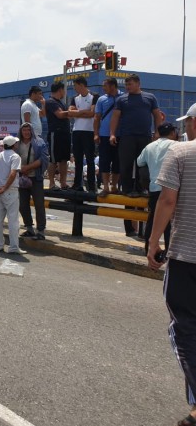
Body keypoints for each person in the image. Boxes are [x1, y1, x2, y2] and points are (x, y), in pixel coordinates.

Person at [147, 103, 196, 426]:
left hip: (187, 256)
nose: (185, 128)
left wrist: (153, 243)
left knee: (185, 329)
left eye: (187, 122)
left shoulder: (181, 153)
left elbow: (167, 200)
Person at [110, 73, 163, 197]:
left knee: (143, 164)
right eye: (126, 85)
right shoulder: (121, 99)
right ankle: (127, 189)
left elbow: (157, 115)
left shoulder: (150, 97)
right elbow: (115, 117)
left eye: (130, 84)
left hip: (145, 136)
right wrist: (112, 134)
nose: (127, 87)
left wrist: (157, 132)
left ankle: (142, 189)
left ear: (138, 84)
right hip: (126, 136)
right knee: (126, 164)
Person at [137, 122, 177, 255]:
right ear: (173, 133)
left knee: (153, 219)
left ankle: (148, 248)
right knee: (170, 223)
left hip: (154, 188)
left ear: (158, 133)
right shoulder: (176, 146)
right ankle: (169, 252)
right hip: (171, 188)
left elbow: (139, 162)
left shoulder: (149, 147)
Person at [0, 136, 24, 254]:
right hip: (10, 190)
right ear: (14, 145)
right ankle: (13, 247)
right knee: (13, 220)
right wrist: (4, 188)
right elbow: (13, 174)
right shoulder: (15, 156)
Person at [17, 122, 49, 240]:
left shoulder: (39, 143)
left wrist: (28, 168)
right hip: (21, 178)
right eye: (24, 130)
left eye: (28, 130)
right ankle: (29, 228)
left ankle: (40, 231)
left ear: (32, 131)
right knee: (22, 205)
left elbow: (43, 159)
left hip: (36, 177)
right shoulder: (17, 143)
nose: (26, 132)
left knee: (39, 204)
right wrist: (21, 169)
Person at [68, 77, 99, 192]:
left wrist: (78, 113)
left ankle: (91, 186)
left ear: (81, 85)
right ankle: (77, 185)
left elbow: (92, 113)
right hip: (76, 131)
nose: (74, 88)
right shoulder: (75, 98)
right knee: (78, 160)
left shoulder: (94, 96)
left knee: (90, 160)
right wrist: (83, 112)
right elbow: (70, 112)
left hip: (89, 131)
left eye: (75, 86)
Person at [93, 77, 122, 197]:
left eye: (105, 85)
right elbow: (97, 118)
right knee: (104, 161)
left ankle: (114, 186)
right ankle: (105, 187)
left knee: (117, 162)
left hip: (120, 135)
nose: (103, 88)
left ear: (113, 86)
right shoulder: (101, 99)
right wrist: (96, 134)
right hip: (104, 135)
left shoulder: (123, 97)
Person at [45, 82, 71, 190]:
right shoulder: (51, 101)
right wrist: (74, 112)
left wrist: (70, 112)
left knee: (64, 159)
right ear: (60, 90)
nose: (64, 92)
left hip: (65, 133)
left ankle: (63, 183)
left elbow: (65, 114)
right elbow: (60, 115)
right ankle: (51, 183)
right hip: (55, 133)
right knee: (54, 159)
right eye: (64, 90)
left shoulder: (61, 103)